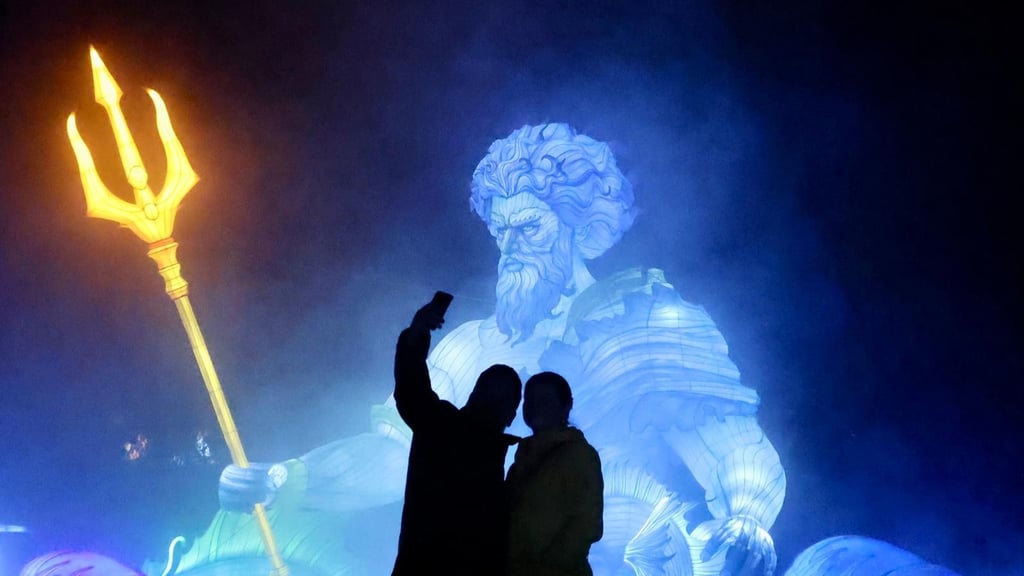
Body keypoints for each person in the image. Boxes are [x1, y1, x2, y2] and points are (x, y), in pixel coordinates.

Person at [194, 123, 784, 576]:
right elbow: (391, 454)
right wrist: (285, 478)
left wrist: (747, 519)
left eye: (528, 229)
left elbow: (733, 441)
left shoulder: (653, 322)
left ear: (581, 228)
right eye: (501, 233)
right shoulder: (476, 344)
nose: (510, 249)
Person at [392, 296, 523, 576]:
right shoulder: (440, 426)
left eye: (502, 399)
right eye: (491, 393)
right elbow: (412, 387)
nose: (494, 403)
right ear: (473, 395)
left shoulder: (513, 466)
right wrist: (417, 333)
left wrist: (417, 332)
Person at [506, 372, 603, 576]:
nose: (535, 406)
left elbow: (587, 524)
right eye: (530, 400)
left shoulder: (579, 455)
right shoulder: (524, 458)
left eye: (545, 399)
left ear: (566, 406)